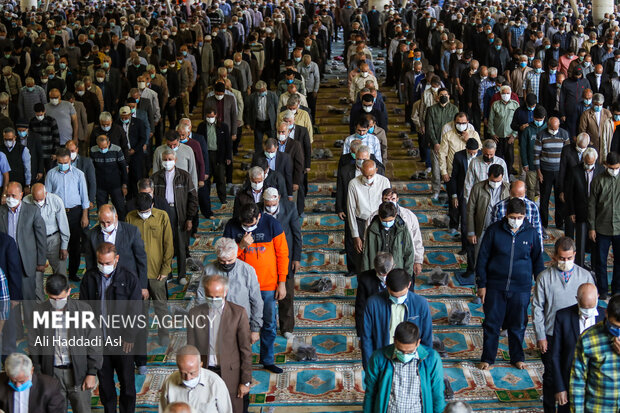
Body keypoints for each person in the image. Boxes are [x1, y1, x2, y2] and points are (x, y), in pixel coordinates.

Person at [476, 198, 545, 370]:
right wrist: (481, 284)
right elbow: (482, 259)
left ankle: (517, 357)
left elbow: (537, 260)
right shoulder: (494, 231)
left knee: (518, 325)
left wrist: (540, 284)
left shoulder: (531, 233)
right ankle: (488, 358)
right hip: (495, 286)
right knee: (491, 324)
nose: (516, 220)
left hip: (521, 288)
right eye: (513, 217)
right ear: (506, 215)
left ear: (524, 216)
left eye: (519, 217)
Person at [223, 202, 288, 374]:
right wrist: (241, 246)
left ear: (259, 216)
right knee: (240, 324)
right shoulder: (231, 227)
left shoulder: (272, 224)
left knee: (269, 323)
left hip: (267, 285)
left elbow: (282, 254)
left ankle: (267, 359)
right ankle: (240, 360)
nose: (248, 228)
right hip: (240, 286)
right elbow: (224, 258)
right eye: (244, 225)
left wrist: (282, 282)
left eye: (251, 225)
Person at [532, 237, 595, 413]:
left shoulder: (585, 276)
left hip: (578, 333)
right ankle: (549, 408)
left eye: (569, 258)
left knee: (576, 373)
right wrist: (541, 335)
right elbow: (537, 307)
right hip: (551, 334)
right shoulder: (544, 277)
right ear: (554, 257)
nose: (565, 262)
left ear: (575, 255)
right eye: (561, 258)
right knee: (552, 375)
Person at [79, 242, 142, 413]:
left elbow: (136, 310)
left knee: (127, 384)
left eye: (107, 263)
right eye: (100, 263)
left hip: (123, 341)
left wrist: (129, 336)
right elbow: (83, 309)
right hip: (99, 342)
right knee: (105, 385)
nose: (104, 266)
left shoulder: (129, 278)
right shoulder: (90, 277)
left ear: (116, 259)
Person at [29, 273, 103, 413]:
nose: (57, 302)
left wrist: (92, 372)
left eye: (61, 298)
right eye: (53, 299)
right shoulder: (39, 311)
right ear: (46, 292)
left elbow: (95, 343)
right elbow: (34, 344)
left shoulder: (83, 310)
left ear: (69, 291)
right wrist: (38, 373)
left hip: (79, 373)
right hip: (52, 373)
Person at [188, 275, 252, 413]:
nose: (213, 300)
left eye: (217, 297)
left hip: (231, 375)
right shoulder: (194, 313)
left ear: (225, 293)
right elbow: (191, 350)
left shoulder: (238, 313)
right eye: (209, 297)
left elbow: (245, 351)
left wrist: (245, 381)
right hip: (205, 372)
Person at [363, 321, 445, 413]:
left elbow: (437, 394)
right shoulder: (378, 357)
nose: (405, 355)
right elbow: (370, 392)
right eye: (401, 351)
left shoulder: (432, 358)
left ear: (418, 343)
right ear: (394, 341)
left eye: (410, 352)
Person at [126, 193, 174, 346]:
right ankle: (142, 334)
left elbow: (168, 244)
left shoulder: (162, 216)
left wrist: (166, 269)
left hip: (157, 273)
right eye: (141, 211)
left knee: (161, 306)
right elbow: (127, 247)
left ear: (152, 205)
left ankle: (164, 333)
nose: (143, 214)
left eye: (146, 211)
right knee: (140, 308)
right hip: (138, 275)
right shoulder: (130, 217)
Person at [361, 268, 433, 369]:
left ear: (409, 285)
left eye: (402, 295)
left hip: (411, 357)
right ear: (386, 285)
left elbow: (427, 337)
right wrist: (369, 366)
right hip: (383, 357)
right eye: (394, 295)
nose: (398, 299)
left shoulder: (421, 304)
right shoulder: (373, 303)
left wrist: (426, 365)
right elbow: (366, 338)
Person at [197, 237, 263, 344]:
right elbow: (201, 297)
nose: (226, 264)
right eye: (222, 261)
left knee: (241, 355)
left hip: (241, 322)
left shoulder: (247, 270)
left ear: (236, 254)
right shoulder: (208, 270)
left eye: (230, 260)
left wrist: (255, 329)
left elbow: (256, 301)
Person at [551, 283, 605, 413]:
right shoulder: (563, 316)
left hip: (598, 385)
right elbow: (555, 355)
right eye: (584, 307)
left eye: (591, 307)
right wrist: (560, 387)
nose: (588, 312)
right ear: (577, 300)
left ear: (597, 297)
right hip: (570, 382)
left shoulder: (606, 317)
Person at [151, 148, 199, 285]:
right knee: (164, 245)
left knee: (181, 246)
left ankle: (182, 275)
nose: (167, 162)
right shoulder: (155, 177)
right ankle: (168, 273)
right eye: (165, 160)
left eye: (170, 160)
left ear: (175, 160)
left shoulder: (184, 176)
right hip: (162, 214)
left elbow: (193, 198)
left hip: (180, 214)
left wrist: (190, 218)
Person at [44, 147, 90, 282]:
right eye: (60, 162)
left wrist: (85, 215)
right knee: (58, 243)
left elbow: (84, 196)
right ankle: (59, 271)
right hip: (57, 213)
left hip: (75, 212)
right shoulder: (51, 174)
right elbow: (48, 196)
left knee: (75, 244)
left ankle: (73, 272)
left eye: (65, 162)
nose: (62, 164)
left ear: (70, 160)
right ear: (56, 160)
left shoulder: (79, 174)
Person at [85, 204, 148, 299]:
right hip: (103, 282)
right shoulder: (92, 235)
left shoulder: (132, 231)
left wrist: (143, 286)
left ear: (116, 217)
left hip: (128, 281)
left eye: (108, 222)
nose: (106, 226)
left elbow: (141, 259)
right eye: (102, 223)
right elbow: (90, 262)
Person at [262, 187, 301, 339]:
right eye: (268, 204)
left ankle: (287, 328)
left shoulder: (290, 208)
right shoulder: (258, 210)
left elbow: (297, 233)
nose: (271, 207)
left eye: (273, 203)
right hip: (265, 259)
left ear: (278, 198)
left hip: (286, 257)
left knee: (287, 294)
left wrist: (296, 258)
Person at [570, 294, 620, 411]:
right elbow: (577, 381)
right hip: (598, 408)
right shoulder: (588, 338)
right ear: (606, 313)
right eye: (615, 326)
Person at [346, 159, 391, 275]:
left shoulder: (384, 181)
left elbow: (389, 205)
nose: (368, 178)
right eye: (365, 175)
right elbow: (350, 210)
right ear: (360, 171)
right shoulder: (353, 184)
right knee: (361, 256)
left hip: (379, 222)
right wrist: (355, 235)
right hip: (361, 222)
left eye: (371, 175)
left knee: (380, 254)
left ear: (376, 170)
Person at [159, 345, 233, 413]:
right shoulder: (170, 382)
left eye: (192, 373)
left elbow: (226, 411)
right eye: (183, 373)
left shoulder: (215, 383)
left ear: (200, 365)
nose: (188, 378)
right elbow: (163, 410)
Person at [367, 188, 424, 276]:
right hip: (379, 266)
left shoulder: (409, 216)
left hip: (401, 263)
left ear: (397, 199)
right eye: (387, 199)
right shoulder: (372, 218)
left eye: (393, 199)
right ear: (382, 199)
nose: (390, 201)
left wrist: (418, 260)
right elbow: (367, 246)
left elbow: (416, 240)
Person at [588, 152, 620, 299]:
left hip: (619, 227)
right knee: (600, 261)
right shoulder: (598, 180)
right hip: (602, 227)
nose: (614, 170)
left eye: (617, 168)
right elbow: (592, 205)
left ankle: (616, 289)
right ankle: (602, 289)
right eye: (612, 168)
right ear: (606, 166)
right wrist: (592, 227)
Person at [565, 148, 604, 268]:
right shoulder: (575, 170)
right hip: (580, 211)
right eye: (587, 163)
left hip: (597, 214)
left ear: (595, 161)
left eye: (591, 163)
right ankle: (579, 267)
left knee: (595, 242)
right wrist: (571, 211)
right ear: (583, 159)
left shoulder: (601, 170)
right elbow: (569, 193)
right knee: (580, 243)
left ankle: (594, 268)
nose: (588, 166)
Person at [23, 183, 69, 284]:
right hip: (35, 241)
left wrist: (64, 247)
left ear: (46, 193)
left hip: (53, 239)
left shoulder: (56, 200)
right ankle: (39, 300)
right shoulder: (26, 201)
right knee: (36, 276)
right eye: (36, 200)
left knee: (61, 275)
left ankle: (64, 299)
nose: (39, 202)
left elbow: (63, 225)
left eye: (41, 199)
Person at [534, 117, 570, 232]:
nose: (554, 131)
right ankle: (544, 223)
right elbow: (536, 155)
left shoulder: (564, 134)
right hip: (545, 172)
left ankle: (559, 222)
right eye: (552, 128)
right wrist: (539, 172)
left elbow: (568, 154)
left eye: (556, 128)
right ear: (548, 125)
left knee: (560, 198)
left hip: (560, 172)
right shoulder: (541, 135)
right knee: (544, 198)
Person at [466, 164, 510, 260]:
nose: (495, 183)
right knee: (480, 257)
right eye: (493, 181)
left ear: (502, 176)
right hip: (482, 230)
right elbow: (470, 211)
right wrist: (471, 232)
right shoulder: (477, 188)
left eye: (498, 181)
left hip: (501, 231)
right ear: (488, 175)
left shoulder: (508, 189)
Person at [363, 201, 414, 277]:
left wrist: (407, 275)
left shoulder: (402, 229)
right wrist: (366, 276)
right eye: (384, 221)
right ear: (379, 216)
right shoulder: (372, 230)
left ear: (395, 215)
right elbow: (366, 254)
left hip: (396, 272)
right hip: (377, 272)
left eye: (390, 221)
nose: (387, 223)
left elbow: (409, 252)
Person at [0, 353, 65, 412]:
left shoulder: (50, 386)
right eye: (13, 381)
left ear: (31, 371)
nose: (17, 386)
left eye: (22, 382)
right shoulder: (1, 380)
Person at [491, 180, 544, 248]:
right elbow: (494, 232)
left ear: (525, 191)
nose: (517, 200)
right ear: (509, 192)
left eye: (521, 196)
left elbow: (538, 231)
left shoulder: (532, 207)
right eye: (514, 196)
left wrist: (539, 250)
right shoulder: (499, 207)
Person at [355, 252, 394, 339]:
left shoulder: (401, 277)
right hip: (373, 322)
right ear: (375, 268)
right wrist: (360, 335)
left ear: (393, 266)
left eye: (386, 274)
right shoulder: (365, 278)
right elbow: (360, 308)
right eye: (381, 274)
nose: (384, 277)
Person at [91, 134, 128, 220]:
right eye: (100, 148)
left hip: (116, 185)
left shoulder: (117, 150)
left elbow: (123, 169)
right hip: (100, 186)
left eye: (104, 147)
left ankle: (121, 227)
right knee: (101, 210)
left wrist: (124, 184)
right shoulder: (93, 150)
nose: (102, 150)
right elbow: (92, 169)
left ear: (108, 143)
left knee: (120, 209)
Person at [487, 85, 519, 174]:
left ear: (511, 94)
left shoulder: (515, 105)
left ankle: (507, 177)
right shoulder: (495, 105)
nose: (506, 95)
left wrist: (514, 135)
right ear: (500, 94)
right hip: (498, 137)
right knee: (498, 159)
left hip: (509, 137)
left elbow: (518, 121)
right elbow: (491, 120)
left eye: (508, 93)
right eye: (504, 93)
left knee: (510, 159)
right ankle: (498, 175)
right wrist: (492, 134)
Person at [520, 106, 547, 201]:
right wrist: (525, 163)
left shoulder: (547, 128)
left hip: (544, 165)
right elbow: (523, 147)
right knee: (531, 188)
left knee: (541, 189)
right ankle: (531, 205)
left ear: (544, 118)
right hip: (531, 165)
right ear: (533, 118)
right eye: (536, 119)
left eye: (540, 120)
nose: (538, 121)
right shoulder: (528, 130)